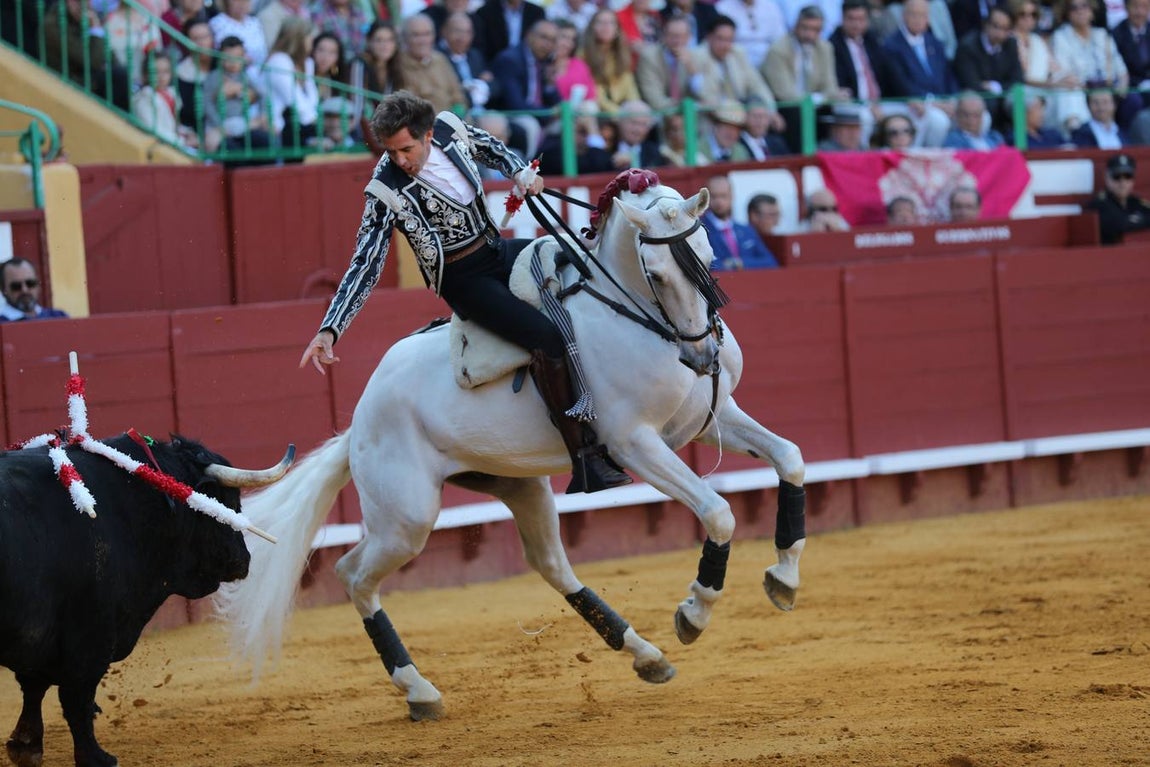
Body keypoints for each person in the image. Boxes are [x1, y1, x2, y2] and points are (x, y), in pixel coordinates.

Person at [299, 91, 631, 494]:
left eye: (405, 149)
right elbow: (365, 263)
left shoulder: (449, 128)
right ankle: (584, 458)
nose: (399, 160)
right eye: (391, 151)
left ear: (426, 135)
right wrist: (330, 329)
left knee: (580, 262)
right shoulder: (385, 190)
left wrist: (519, 171)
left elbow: (492, 148)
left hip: (496, 248)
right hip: (464, 280)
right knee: (546, 337)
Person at [701, 175, 780, 270]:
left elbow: (770, 262)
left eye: (723, 196)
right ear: (706, 198)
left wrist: (741, 263)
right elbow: (702, 266)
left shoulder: (746, 230)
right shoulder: (700, 230)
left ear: (732, 196)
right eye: (714, 196)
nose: (719, 202)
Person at [396, 13, 465, 115]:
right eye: (416, 35)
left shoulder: (440, 60)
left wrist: (457, 116)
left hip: (452, 121)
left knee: (493, 123)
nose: (423, 40)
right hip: (421, 125)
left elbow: (458, 96)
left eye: (427, 34)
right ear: (405, 38)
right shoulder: (398, 65)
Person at [582, 8, 642, 115]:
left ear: (617, 29)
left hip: (620, 106)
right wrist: (618, 113)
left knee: (641, 111)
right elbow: (594, 92)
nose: (606, 26)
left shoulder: (622, 53)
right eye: (601, 22)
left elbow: (630, 86)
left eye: (611, 23)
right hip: (598, 109)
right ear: (592, 27)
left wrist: (636, 106)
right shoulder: (583, 55)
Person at [1085, 152, 1150, 243]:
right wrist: (1140, 220)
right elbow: (1118, 224)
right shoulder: (1099, 204)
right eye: (1116, 177)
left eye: (1128, 176)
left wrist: (1133, 221)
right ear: (1107, 178)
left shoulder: (1136, 202)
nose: (1122, 183)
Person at [0, 259, 69, 322]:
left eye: (30, 283)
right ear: (3, 290)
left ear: (38, 285)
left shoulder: (59, 317)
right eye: (16, 286)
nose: (25, 290)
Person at [942, 92, 1006, 148]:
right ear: (957, 116)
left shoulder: (995, 138)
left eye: (976, 115)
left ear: (982, 116)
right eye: (966, 115)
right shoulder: (953, 141)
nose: (971, 120)